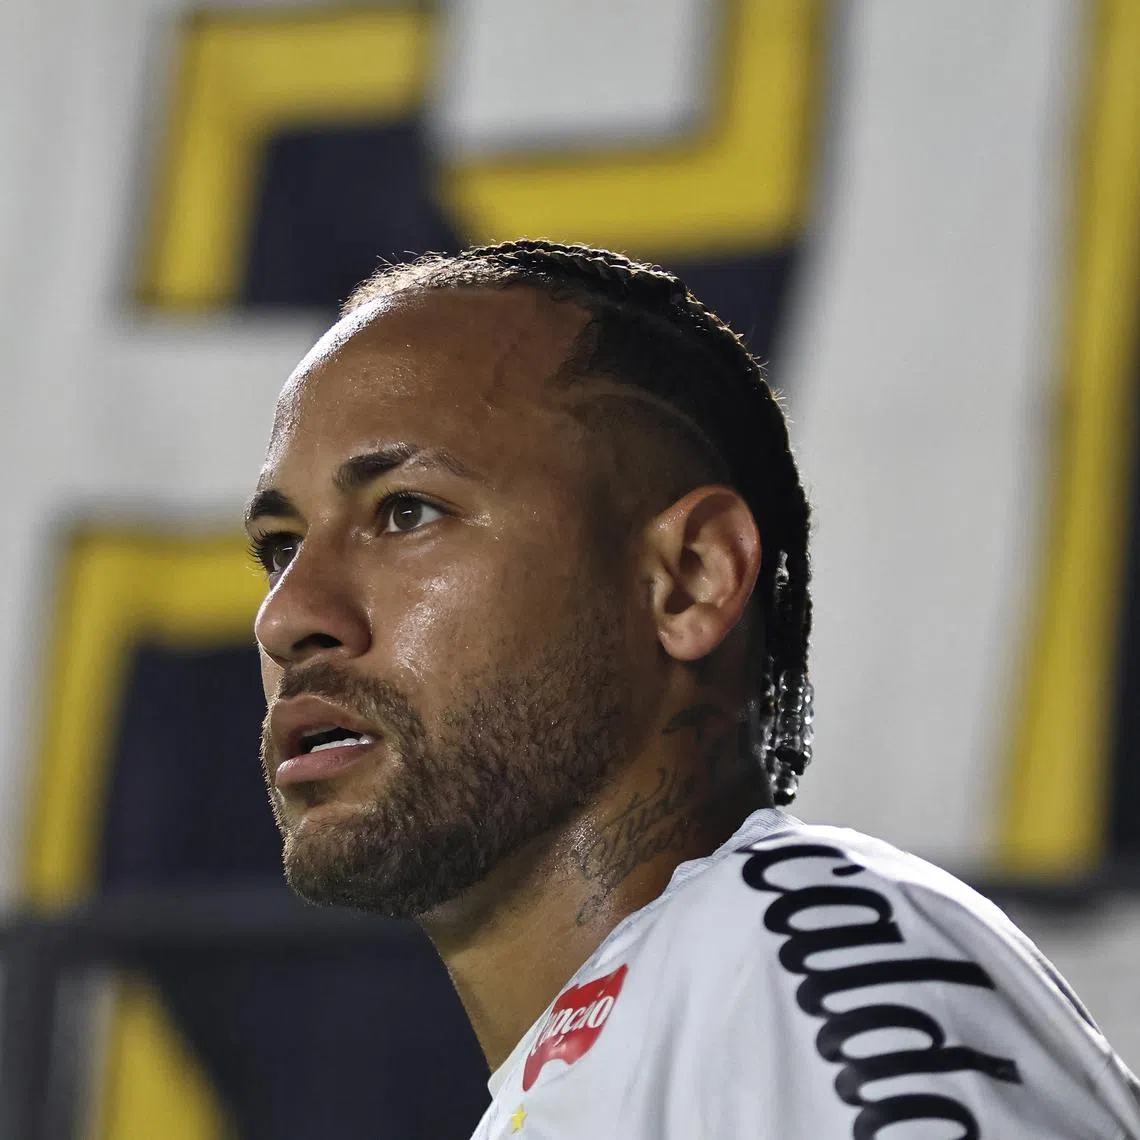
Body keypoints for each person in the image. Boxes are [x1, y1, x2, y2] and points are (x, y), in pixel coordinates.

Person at [245, 240, 1140, 1138]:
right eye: (281, 547)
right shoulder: (660, 1041)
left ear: (692, 577)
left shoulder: (799, 952)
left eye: (407, 511)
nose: (287, 617)